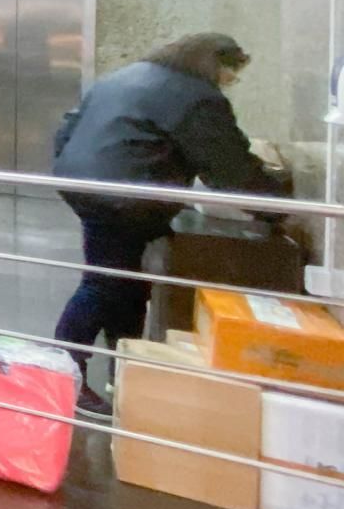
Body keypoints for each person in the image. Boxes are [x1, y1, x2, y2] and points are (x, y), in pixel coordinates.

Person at [52, 33, 288, 416]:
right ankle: (63, 373)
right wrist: (277, 206)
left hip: (88, 185)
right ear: (215, 63)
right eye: (232, 71)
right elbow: (228, 166)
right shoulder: (198, 97)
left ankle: (123, 368)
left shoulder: (128, 75)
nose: (232, 80)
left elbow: (67, 128)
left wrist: (78, 172)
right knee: (105, 283)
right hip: (124, 196)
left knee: (127, 283)